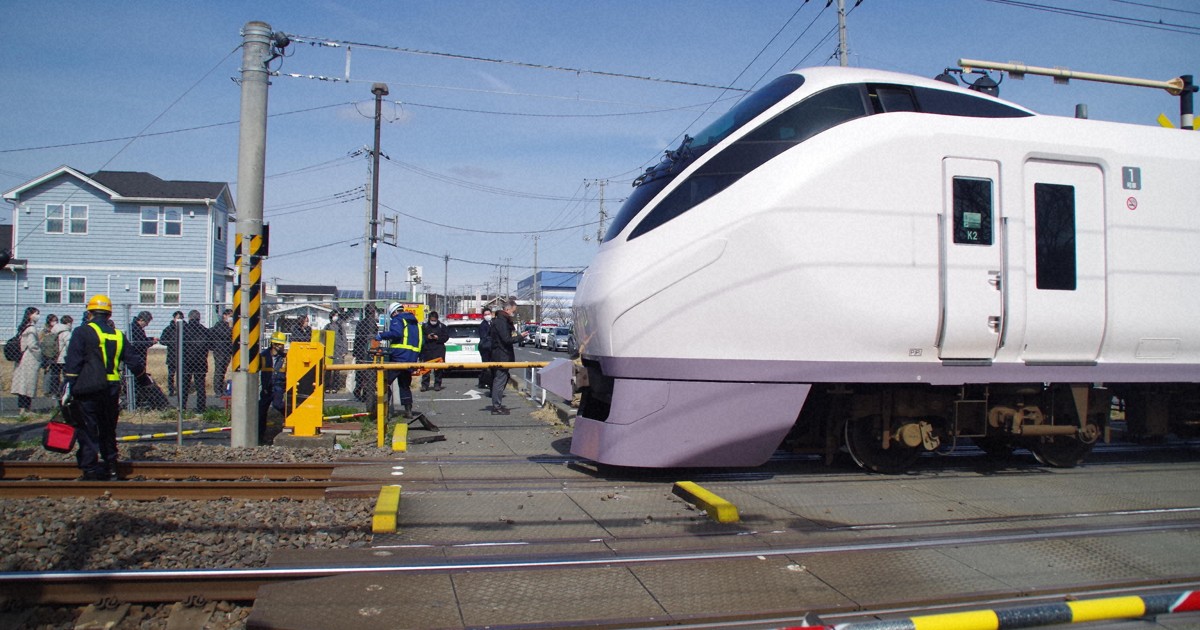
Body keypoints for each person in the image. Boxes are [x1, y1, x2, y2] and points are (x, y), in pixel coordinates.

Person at [62, 294, 145, 481]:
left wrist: (67, 386)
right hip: (111, 390)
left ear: (89, 312)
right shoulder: (118, 335)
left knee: (88, 429)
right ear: (109, 314)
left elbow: (73, 363)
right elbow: (134, 362)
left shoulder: (82, 332)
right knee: (108, 429)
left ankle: (90, 469)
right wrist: (143, 378)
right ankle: (111, 467)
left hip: (88, 389)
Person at [375, 302, 422, 419]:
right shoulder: (415, 324)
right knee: (405, 385)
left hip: (397, 358)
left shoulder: (398, 319)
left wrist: (382, 335)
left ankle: (384, 412)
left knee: (386, 383)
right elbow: (422, 342)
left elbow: (396, 334)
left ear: (394, 312)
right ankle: (408, 410)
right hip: (411, 359)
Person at [488, 299, 527, 415]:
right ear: (507, 309)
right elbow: (506, 339)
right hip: (501, 355)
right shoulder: (502, 322)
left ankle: (497, 404)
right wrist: (520, 337)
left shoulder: (500, 320)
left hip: (500, 354)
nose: (513, 314)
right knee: (500, 380)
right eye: (513, 311)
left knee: (502, 378)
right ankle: (496, 406)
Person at [257, 331, 288, 445]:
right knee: (261, 411)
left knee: (278, 404)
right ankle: (259, 437)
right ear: (274, 345)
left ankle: (289, 415)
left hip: (279, 386)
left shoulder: (285, 358)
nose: (282, 347)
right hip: (266, 388)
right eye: (280, 345)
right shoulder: (263, 356)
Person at [9, 307, 41, 413]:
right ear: (30, 315)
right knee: (28, 384)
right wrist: (40, 353)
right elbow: (32, 345)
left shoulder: (23, 328)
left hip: (21, 358)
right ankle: (26, 409)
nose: (38, 316)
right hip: (30, 358)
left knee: (22, 385)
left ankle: (22, 409)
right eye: (36, 314)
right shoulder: (31, 329)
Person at [181, 310, 210, 413]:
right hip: (200, 361)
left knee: (184, 386)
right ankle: (201, 409)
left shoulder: (183, 330)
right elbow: (210, 345)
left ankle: (182, 407)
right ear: (199, 318)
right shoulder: (204, 330)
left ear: (189, 318)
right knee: (200, 386)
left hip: (186, 361)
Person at [352, 304, 379, 402]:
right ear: (372, 312)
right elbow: (374, 340)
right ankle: (365, 394)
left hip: (360, 351)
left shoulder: (360, 323)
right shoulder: (372, 324)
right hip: (368, 352)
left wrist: (355, 352)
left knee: (360, 373)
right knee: (369, 374)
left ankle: (359, 390)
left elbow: (357, 338)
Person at [419, 311, 449, 392]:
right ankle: (425, 385)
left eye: (434, 320)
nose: (433, 321)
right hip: (427, 350)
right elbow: (421, 337)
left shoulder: (442, 327)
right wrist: (427, 337)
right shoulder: (424, 326)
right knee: (426, 368)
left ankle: (437, 384)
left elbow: (446, 337)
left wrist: (437, 338)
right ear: (429, 319)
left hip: (439, 349)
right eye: (432, 320)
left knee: (439, 369)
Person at [210, 308, 234, 396]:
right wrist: (231, 327)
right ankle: (217, 390)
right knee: (219, 370)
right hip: (219, 351)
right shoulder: (219, 325)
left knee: (223, 370)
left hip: (227, 351)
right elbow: (225, 335)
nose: (231, 318)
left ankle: (221, 388)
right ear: (225, 316)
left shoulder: (231, 326)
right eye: (230, 316)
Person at [160, 311, 184, 397]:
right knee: (171, 374)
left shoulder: (185, 328)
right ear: (174, 318)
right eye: (177, 318)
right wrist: (172, 342)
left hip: (183, 356)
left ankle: (181, 390)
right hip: (172, 355)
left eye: (181, 318)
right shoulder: (168, 329)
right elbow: (162, 340)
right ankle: (171, 390)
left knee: (182, 375)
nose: (179, 320)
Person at [324, 310, 348, 393]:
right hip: (329, 350)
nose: (336, 317)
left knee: (337, 370)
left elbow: (344, 338)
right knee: (328, 370)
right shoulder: (327, 326)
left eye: (337, 315)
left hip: (339, 349)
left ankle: (335, 387)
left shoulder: (340, 326)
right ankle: (327, 387)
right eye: (335, 315)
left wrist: (345, 350)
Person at [475, 307, 494, 390]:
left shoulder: (493, 323)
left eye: (488, 314)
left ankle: (483, 381)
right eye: (485, 314)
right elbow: (484, 337)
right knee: (486, 365)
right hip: (485, 348)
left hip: (492, 348)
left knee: (490, 366)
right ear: (483, 316)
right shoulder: (483, 325)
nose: (487, 316)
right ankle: (484, 382)